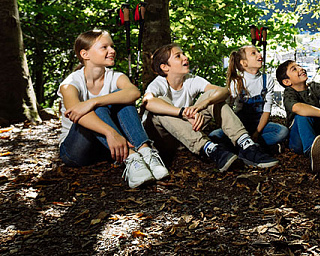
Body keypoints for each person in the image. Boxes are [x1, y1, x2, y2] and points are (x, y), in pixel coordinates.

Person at [58, 30, 169, 188]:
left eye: (112, 46)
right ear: (85, 54)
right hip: (76, 150)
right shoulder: (70, 84)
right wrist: (111, 132)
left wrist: (94, 101)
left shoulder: (116, 76)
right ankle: (131, 157)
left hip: (106, 149)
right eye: (104, 47)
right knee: (97, 110)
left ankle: (145, 153)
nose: (112, 51)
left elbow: (134, 93)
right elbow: (77, 114)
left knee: (120, 97)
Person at [142, 43, 278, 171]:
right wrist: (183, 113)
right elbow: (148, 102)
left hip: (188, 131)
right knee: (160, 103)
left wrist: (203, 104)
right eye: (178, 56)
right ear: (165, 67)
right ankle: (211, 149)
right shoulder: (158, 84)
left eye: (183, 54)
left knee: (213, 95)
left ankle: (246, 144)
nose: (185, 57)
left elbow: (223, 91)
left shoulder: (191, 80)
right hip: (164, 138)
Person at [210, 46, 289, 153]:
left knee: (282, 132)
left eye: (258, 52)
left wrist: (257, 132)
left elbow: (266, 111)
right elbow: (227, 108)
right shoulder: (237, 82)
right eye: (253, 53)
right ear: (244, 63)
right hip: (239, 125)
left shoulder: (267, 80)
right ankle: (260, 148)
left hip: (259, 124)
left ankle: (246, 146)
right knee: (214, 136)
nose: (259, 54)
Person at [276, 60, 320, 173]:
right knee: (301, 115)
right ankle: (312, 153)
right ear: (287, 81)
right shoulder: (289, 92)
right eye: (294, 69)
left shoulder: (315, 87)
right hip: (299, 140)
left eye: (299, 65)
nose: (300, 68)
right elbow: (297, 108)